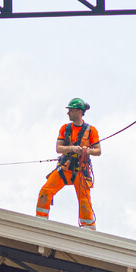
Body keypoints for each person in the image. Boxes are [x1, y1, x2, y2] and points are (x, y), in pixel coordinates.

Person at [34, 98, 101, 229]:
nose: (68, 112)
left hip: (80, 170)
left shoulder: (91, 130)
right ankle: (40, 219)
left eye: (71, 110)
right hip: (65, 168)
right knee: (46, 191)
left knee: (84, 200)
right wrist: (72, 148)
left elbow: (98, 151)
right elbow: (59, 148)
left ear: (78, 112)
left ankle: (88, 227)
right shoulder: (65, 128)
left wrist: (87, 150)